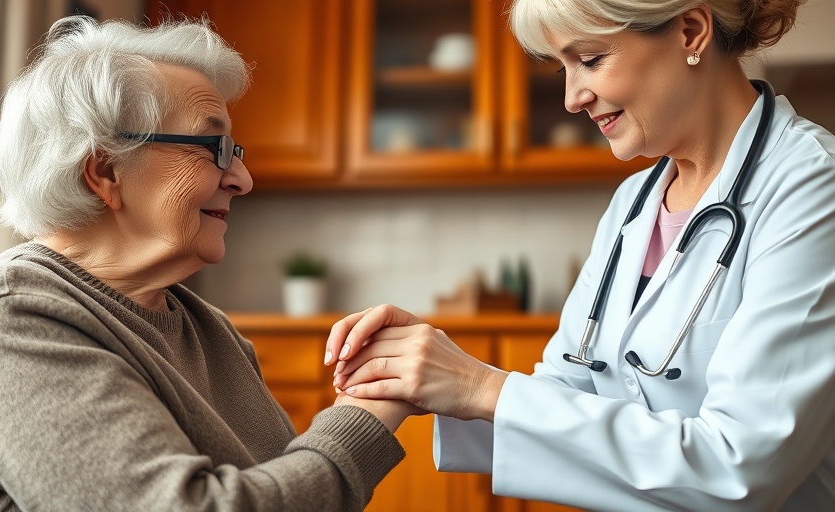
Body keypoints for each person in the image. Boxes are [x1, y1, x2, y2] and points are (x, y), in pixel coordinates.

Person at [327, 0, 835, 510]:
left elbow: (739, 468)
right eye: (563, 69)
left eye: (590, 60)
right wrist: (429, 376)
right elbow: (568, 391)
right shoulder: (633, 203)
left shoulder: (811, 186)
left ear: (690, 32)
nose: (572, 98)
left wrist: (477, 386)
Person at [0, 15, 415, 511]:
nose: (243, 179)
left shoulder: (210, 331)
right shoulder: (13, 318)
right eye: (215, 149)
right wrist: (365, 417)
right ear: (106, 170)